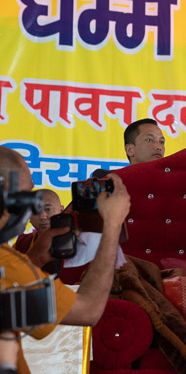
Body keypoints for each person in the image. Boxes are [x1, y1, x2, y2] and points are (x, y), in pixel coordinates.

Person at [0, 146, 130, 374]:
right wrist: (111, 226)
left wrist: (34, 259)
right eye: (24, 195)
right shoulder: (7, 264)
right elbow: (87, 311)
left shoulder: (12, 264)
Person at [91, 118, 165, 178]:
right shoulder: (109, 179)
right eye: (149, 140)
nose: (159, 147)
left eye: (161, 142)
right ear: (130, 150)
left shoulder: (171, 181)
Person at [13, 189, 65, 274]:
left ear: (61, 211)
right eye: (36, 211)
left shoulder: (76, 241)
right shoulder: (22, 242)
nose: (43, 217)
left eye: (48, 209)